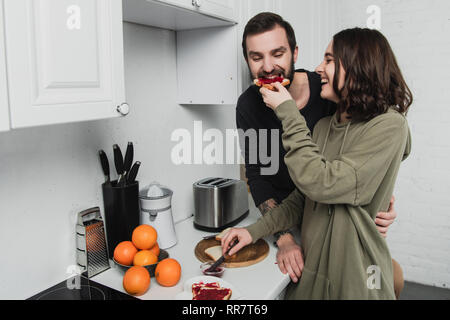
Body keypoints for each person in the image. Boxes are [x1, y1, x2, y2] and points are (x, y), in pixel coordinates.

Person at [225, 27, 412, 299]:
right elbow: (302, 197)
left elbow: (325, 183)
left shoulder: (390, 126)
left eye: (329, 60)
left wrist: (287, 111)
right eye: (256, 57)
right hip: (312, 271)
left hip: (357, 279)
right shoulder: (323, 126)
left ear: (359, 67)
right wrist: (253, 231)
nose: (318, 68)